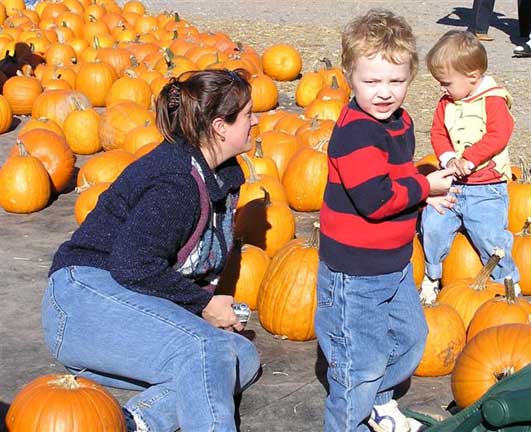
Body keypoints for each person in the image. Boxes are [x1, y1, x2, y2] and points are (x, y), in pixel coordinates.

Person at [41, 69, 261, 432]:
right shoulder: (176, 183)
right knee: (209, 352)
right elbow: (132, 264)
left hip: (127, 301)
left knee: (240, 357)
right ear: (221, 126)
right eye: (249, 114)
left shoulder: (218, 172)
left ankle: (135, 421)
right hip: (82, 300)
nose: (256, 121)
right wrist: (203, 304)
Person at [316, 9, 456, 432]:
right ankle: (351, 420)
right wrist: (426, 189)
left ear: (411, 78)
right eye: (371, 81)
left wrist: (418, 197)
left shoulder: (400, 121)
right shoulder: (357, 131)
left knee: (410, 340)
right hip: (354, 274)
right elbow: (375, 200)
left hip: (392, 263)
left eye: (395, 82)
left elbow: (394, 177)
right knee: (357, 367)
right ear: (349, 76)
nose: (383, 93)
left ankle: (379, 401)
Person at [419, 30, 521, 303]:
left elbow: (499, 135)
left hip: (487, 188)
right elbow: (438, 133)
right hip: (453, 185)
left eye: (446, 83)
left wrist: (470, 159)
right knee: (432, 225)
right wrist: (449, 158)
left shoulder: (493, 100)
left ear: (473, 77)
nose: (443, 89)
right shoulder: (446, 104)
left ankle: (508, 282)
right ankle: (432, 275)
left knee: (490, 237)